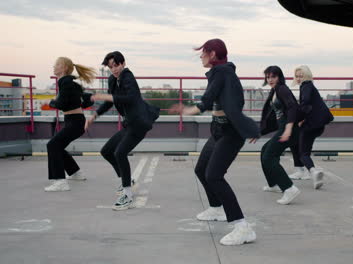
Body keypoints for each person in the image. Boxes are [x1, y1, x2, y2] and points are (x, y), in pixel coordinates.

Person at [169, 39, 258, 246]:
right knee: (201, 169)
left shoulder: (222, 72)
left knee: (214, 176)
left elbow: (208, 100)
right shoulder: (224, 72)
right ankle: (216, 208)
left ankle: (242, 227)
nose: (200, 56)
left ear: (213, 54)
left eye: (203, 53)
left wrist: (188, 110)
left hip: (230, 133)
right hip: (219, 130)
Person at [85, 51, 160, 210]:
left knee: (120, 153)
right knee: (107, 151)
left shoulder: (128, 76)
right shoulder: (112, 79)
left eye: (116, 65)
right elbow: (109, 101)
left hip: (139, 123)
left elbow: (130, 98)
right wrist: (94, 115)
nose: (114, 69)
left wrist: (107, 97)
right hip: (129, 123)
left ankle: (127, 195)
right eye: (111, 66)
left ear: (123, 63)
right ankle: (128, 181)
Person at [45, 57, 95, 192]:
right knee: (58, 146)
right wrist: (79, 104)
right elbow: (88, 99)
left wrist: (52, 102)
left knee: (53, 145)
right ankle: (75, 173)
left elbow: (61, 104)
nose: (54, 67)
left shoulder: (65, 82)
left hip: (75, 121)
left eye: (57, 65)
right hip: (75, 121)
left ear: (64, 68)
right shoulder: (70, 83)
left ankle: (60, 181)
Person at [255, 65, 301, 205]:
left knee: (269, 157)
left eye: (273, 77)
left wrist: (288, 129)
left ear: (279, 77)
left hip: (289, 129)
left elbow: (293, 107)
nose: (270, 79)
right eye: (268, 77)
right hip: (284, 128)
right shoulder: (274, 91)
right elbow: (270, 117)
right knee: (265, 152)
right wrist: (258, 133)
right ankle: (273, 184)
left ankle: (289, 188)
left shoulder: (282, 89)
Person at [289, 65, 334, 189]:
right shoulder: (310, 86)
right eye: (297, 76)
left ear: (307, 75)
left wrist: (299, 119)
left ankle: (313, 172)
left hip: (310, 125)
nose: (298, 78)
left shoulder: (306, 85)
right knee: (304, 151)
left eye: (301, 76)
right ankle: (313, 175)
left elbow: (306, 103)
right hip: (319, 125)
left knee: (303, 153)